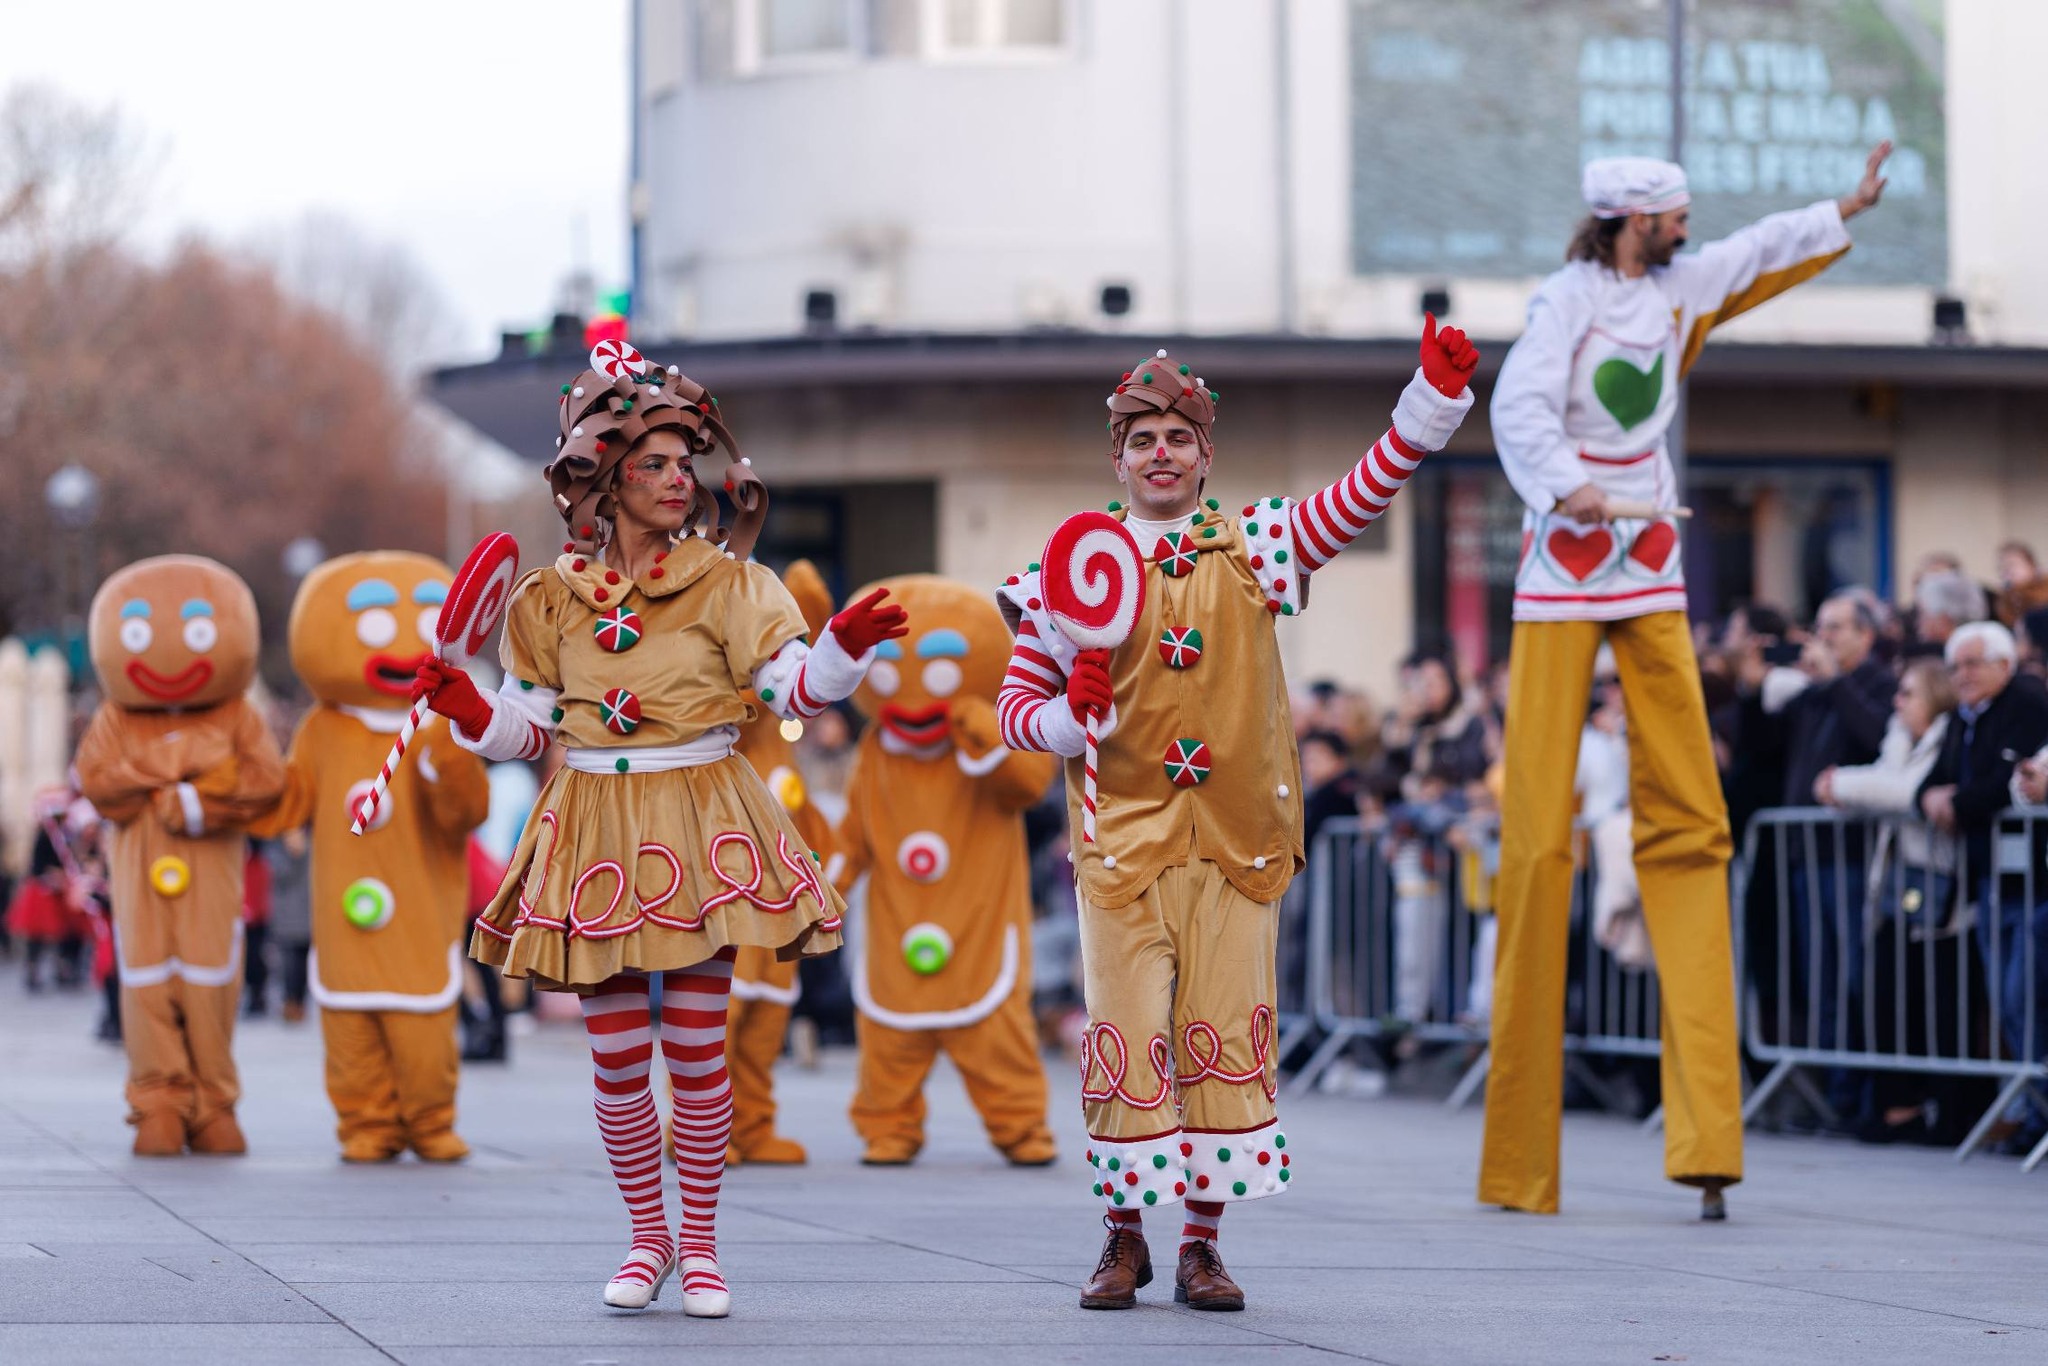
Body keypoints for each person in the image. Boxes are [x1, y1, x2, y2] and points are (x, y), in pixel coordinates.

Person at [410, 339, 905, 1316]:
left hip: (701, 825)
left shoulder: (730, 585)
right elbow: (532, 727)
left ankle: (707, 1248)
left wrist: (840, 652)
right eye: (656, 464)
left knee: (696, 1050)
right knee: (616, 1061)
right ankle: (647, 1239)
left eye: (688, 462)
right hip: (592, 828)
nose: (681, 480)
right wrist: (470, 714)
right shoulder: (547, 602)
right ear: (603, 474)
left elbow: (788, 690)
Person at [997, 319, 1477, 1310]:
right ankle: (1123, 1237)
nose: (1159, 454)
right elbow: (1013, 709)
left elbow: (1359, 496)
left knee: (1223, 1040)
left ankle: (1201, 1247)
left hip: (1235, 846)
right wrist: (1064, 718)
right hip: (1120, 846)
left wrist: (1421, 413)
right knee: (1126, 1041)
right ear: (1117, 457)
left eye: (1177, 438)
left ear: (1204, 455)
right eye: (1142, 439)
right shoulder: (1072, 561)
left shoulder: (1254, 541)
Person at [1484, 143, 1894, 1219]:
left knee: (1692, 822)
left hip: (1648, 562)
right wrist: (1569, 490)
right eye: (1670, 215)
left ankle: (1708, 1133)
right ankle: (1518, 1161)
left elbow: (1755, 253)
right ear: (1629, 220)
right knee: (1536, 832)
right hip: (1564, 567)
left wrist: (1839, 209)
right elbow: (1518, 407)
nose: (1684, 228)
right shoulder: (1565, 301)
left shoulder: (1676, 291)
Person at [252, 551, 493, 1164]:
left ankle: (429, 1119)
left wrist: (450, 767)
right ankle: (365, 1122)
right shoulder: (323, 729)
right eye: (377, 625)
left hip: (418, 916)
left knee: (423, 1036)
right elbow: (285, 806)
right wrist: (241, 782)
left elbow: (465, 816)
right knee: (350, 1031)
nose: (401, 641)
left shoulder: (439, 726)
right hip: (343, 922)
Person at [835, 575, 1060, 1168]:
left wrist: (983, 729)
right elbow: (851, 836)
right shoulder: (876, 750)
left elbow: (1027, 785)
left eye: (937, 671)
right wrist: (822, 890)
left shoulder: (989, 734)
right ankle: (888, 1125)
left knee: (996, 1032)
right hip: (895, 926)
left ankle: (1019, 1123)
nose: (911, 695)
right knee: (888, 1039)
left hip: (980, 927)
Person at [73, 556, 287, 1156]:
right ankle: (158, 1100)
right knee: (144, 985)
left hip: (212, 880)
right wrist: (189, 762)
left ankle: (212, 1100)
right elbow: (98, 780)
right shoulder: (116, 716)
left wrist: (195, 802)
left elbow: (265, 781)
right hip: (140, 880)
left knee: (210, 985)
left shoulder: (237, 714)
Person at [1815, 659, 1958, 1143]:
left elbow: (1906, 792)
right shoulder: (1900, 739)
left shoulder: (1948, 736)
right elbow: (1888, 780)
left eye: (1908, 694)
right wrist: (1851, 785)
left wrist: (1842, 785)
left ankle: (1937, 1110)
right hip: (1897, 888)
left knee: (1936, 1003)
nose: (1897, 703)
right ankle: (1896, 1106)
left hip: (1944, 891)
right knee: (1885, 995)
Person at [1918, 622, 2048, 1127]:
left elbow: (2010, 781)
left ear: (2005, 664)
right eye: (1955, 667)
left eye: (1973, 664)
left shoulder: (2027, 705)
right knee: (2006, 999)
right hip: (1987, 876)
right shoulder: (1960, 719)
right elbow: (1934, 780)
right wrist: (1928, 796)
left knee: (2023, 995)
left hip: (2030, 878)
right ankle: (2031, 1111)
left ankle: (2035, 1111)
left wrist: (1956, 801)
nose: (1963, 675)